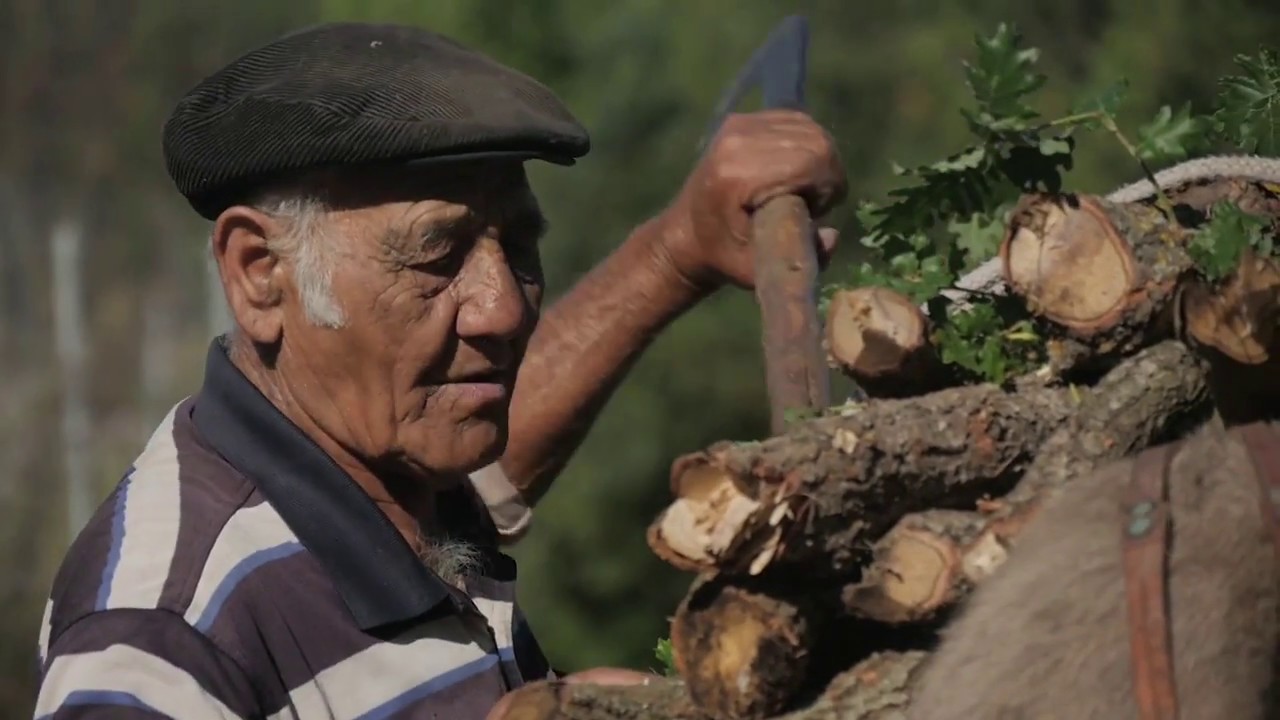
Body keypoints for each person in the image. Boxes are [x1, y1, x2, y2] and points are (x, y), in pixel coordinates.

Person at [32, 21, 845, 720]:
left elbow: (495, 467)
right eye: (435, 254)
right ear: (259, 274)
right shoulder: (160, 641)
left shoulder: (396, 477)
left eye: (517, 245)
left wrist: (677, 253)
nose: (503, 307)